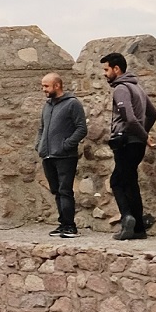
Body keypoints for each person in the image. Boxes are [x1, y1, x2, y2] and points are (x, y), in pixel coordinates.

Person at [100, 49, 156, 239]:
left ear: (117, 69)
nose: (105, 74)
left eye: (107, 70)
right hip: (136, 144)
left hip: (126, 142)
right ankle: (139, 229)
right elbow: (153, 113)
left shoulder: (121, 88)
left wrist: (143, 135)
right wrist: (144, 134)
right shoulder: (138, 88)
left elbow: (130, 119)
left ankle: (127, 218)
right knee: (131, 182)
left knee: (116, 181)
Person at [35, 72, 88, 236]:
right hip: (48, 156)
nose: (43, 89)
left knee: (65, 191)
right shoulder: (47, 106)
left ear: (57, 85)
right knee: (56, 191)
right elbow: (41, 128)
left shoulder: (72, 104)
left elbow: (81, 129)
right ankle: (63, 223)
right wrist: (39, 146)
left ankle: (70, 226)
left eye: (46, 86)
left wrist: (66, 145)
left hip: (65, 156)